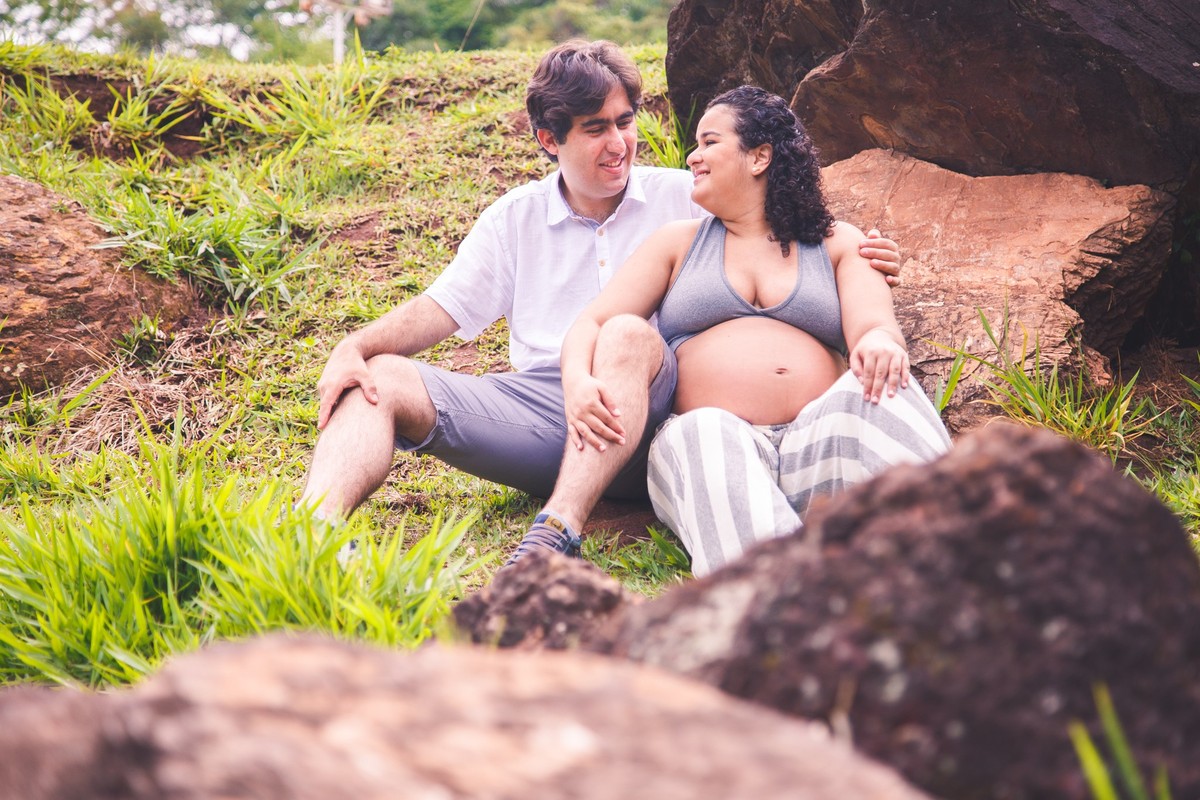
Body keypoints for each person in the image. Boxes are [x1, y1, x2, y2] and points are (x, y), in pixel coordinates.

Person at [297, 41, 903, 563]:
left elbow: (785, 220)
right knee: (377, 380)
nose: (619, 142)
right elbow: (438, 310)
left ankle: (559, 527)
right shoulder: (516, 218)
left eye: (624, 121)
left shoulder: (687, 197)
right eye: (595, 128)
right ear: (547, 138)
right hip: (547, 405)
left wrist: (865, 251)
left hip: (656, 402)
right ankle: (313, 534)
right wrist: (354, 346)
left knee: (629, 336)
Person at [553, 85, 951, 577]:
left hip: (819, 449)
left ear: (760, 156)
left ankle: (963, 558)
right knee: (704, 430)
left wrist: (876, 342)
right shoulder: (677, 244)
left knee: (883, 390)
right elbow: (592, 321)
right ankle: (780, 608)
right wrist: (577, 380)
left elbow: (875, 324)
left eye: (709, 142)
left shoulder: (840, 243)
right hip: (717, 453)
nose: (692, 157)